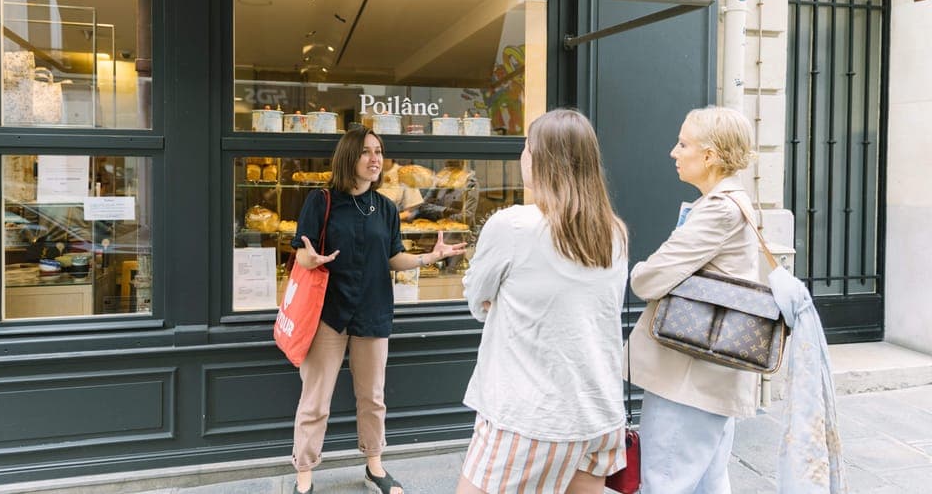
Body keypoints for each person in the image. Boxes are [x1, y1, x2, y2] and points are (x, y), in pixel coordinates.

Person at [456, 109, 630, 494]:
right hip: (599, 414)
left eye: (526, 148)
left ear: (541, 159)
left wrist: (501, 305)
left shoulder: (513, 225)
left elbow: (475, 297)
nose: (523, 157)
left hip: (530, 416)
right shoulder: (614, 232)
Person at [289, 127, 467, 494]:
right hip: (328, 314)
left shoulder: (385, 207)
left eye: (379, 152)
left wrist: (428, 257)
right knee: (315, 399)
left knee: (372, 397)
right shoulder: (321, 201)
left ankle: (374, 465)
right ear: (348, 157)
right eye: (367, 152)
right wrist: (312, 258)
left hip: (373, 311)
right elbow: (301, 251)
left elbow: (392, 258)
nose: (375, 159)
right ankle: (304, 474)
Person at [625, 106, 759, 494]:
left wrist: (637, 272)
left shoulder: (718, 209)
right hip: (706, 370)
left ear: (710, 156)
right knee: (706, 481)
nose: (674, 152)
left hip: (690, 372)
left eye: (683, 143)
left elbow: (648, 279)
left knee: (665, 480)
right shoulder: (729, 203)